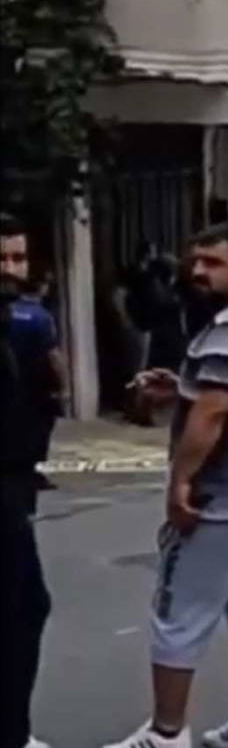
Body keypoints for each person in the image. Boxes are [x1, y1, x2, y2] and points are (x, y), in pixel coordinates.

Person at [102, 225, 228, 748]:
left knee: (177, 616)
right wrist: (183, 389)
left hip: (216, 501)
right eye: (195, 261)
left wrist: (181, 482)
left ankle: (167, 734)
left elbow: (214, 412)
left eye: (213, 263)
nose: (197, 272)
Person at [1, 214, 55, 748]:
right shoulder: (26, 323)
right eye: (1, 259)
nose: (12, 270)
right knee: (23, 606)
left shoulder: (20, 321)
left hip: (15, 478)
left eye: (18, 258)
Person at [4, 249, 67, 497]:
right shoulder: (41, 317)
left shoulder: (8, 312)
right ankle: (30, 471)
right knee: (36, 432)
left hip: (12, 386)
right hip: (36, 389)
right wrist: (63, 387)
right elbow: (54, 357)